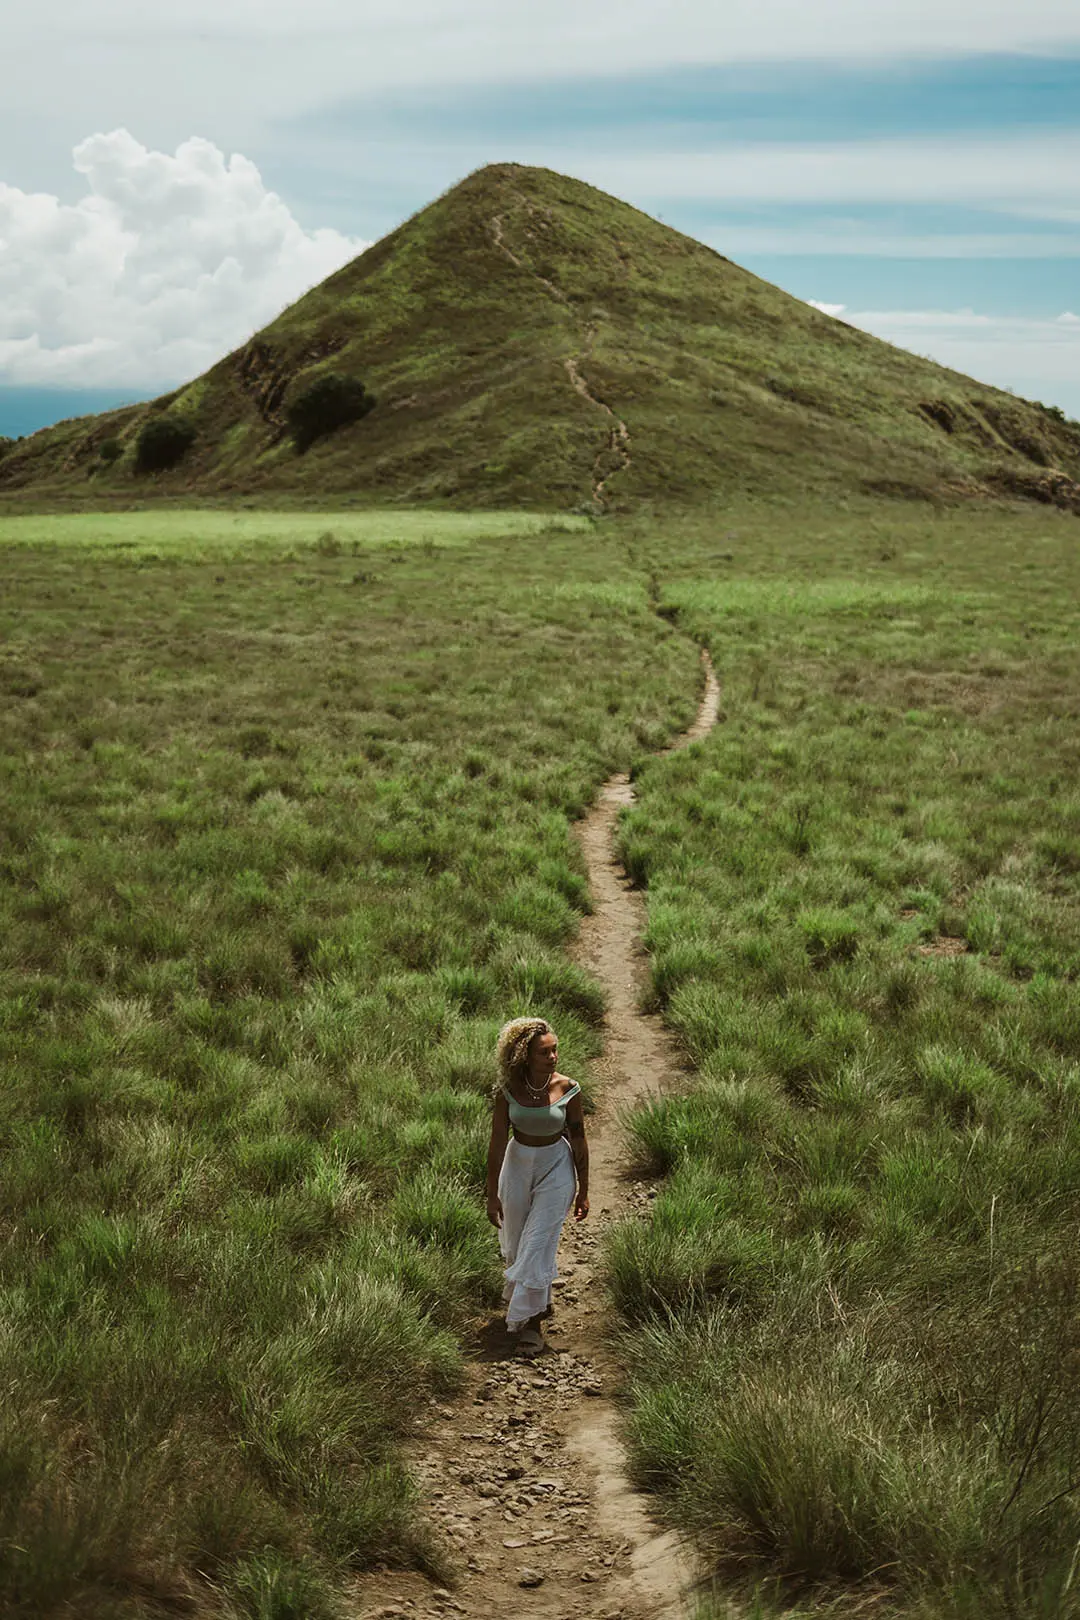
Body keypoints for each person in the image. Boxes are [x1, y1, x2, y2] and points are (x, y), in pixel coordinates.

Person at [486, 1017, 590, 1356]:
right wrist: (491, 1194)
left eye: (555, 1050)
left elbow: (579, 1139)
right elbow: (498, 1142)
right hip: (517, 1166)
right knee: (517, 1240)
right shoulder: (508, 1092)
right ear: (524, 1056)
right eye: (544, 1052)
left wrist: (584, 1189)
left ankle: (531, 1325)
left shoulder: (568, 1088)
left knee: (538, 1242)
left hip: (556, 1167)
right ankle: (537, 1301)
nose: (553, 1057)